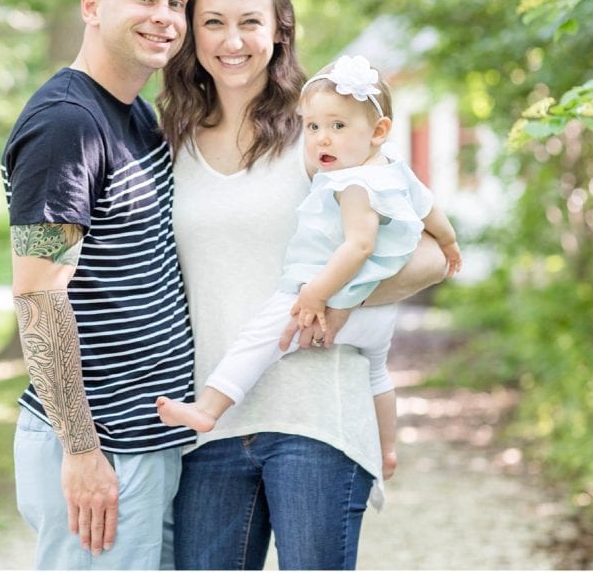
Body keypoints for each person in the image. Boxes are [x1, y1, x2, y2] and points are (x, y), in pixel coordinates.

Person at [156, 0, 448, 570]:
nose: (232, 40)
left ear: (280, 30)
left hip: (317, 418)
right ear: (190, 34)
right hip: (210, 425)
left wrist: (337, 300)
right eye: (213, 22)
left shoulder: (326, 132)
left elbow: (430, 254)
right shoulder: (167, 142)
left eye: (251, 22)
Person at [157, 54, 463, 482]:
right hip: (377, 313)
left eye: (338, 127)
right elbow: (431, 211)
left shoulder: (352, 182)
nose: (322, 140)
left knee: (260, 338)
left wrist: (318, 292)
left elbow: (359, 245)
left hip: (339, 294)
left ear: (378, 132)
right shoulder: (394, 170)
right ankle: (387, 449)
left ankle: (208, 408)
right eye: (315, 127)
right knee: (377, 373)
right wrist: (448, 244)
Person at [1, 0, 196, 570]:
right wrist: (81, 450)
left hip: (148, 442)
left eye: (176, 3)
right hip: (100, 448)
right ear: (93, 5)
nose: (164, 16)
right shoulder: (68, 124)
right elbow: (38, 294)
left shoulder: (136, 117)